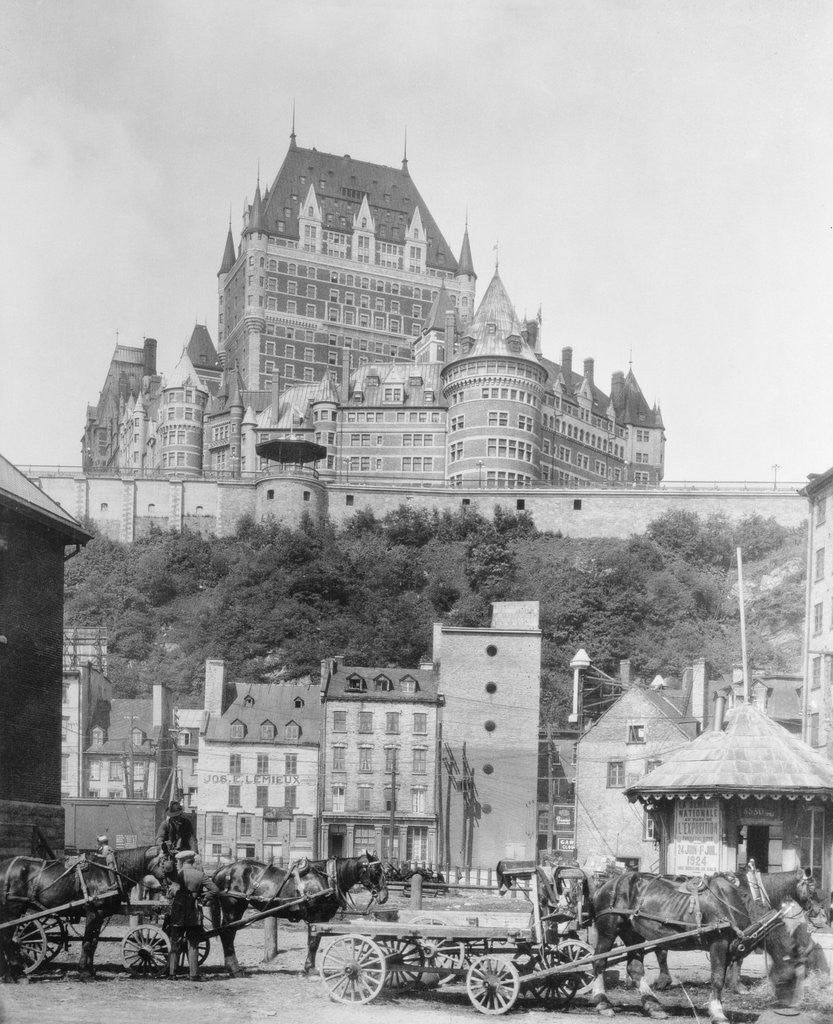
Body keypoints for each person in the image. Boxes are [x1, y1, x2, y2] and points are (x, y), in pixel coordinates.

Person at [167, 850, 219, 982]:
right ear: (192, 861)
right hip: (193, 913)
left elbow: (170, 894)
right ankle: (193, 974)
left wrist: (171, 894)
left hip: (178, 912)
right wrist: (203, 897)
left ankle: (172, 973)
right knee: (193, 944)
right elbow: (215, 890)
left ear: (181, 861)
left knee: (175, 943)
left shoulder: (177, 875)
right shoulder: (200, 875)